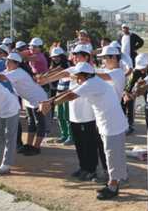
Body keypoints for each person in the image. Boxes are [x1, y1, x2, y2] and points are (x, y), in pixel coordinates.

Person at [40, 62, 129, 200]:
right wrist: (49, 101)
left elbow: (70, 96)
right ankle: (119, 178)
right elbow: (69, 92)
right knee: (114, 154)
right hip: (109, 122)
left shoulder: (91, 84)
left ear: (83, 75)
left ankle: (113, 186)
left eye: (77, 76)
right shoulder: (92, 80)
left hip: (112, 124)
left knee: (112, 155)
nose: (75, 78)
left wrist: (50, 104)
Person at [37, 44, 101, 181]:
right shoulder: (73, 69)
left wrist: (51, 102)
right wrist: (45, 79)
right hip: (74, 114)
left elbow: (72, 93)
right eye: (75, 55)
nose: (75, 57)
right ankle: (83, 167)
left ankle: (92, 169)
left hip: (88, 115)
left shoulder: (90, 71)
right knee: (79, 143)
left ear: (86, 56)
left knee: (89, 144)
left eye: (79, 55)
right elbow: (62, 74)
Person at [0, 52, 49, 156]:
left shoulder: (18, 72)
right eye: (7, 61)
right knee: (31, 123)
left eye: (9, 61)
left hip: (39, 99)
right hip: (29, 100)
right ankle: (29, 145)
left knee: (40, 124)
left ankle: (36, 147)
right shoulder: (10, 71)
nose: (7, 63)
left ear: (16, 64)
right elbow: (0, 75)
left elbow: (1, 78)